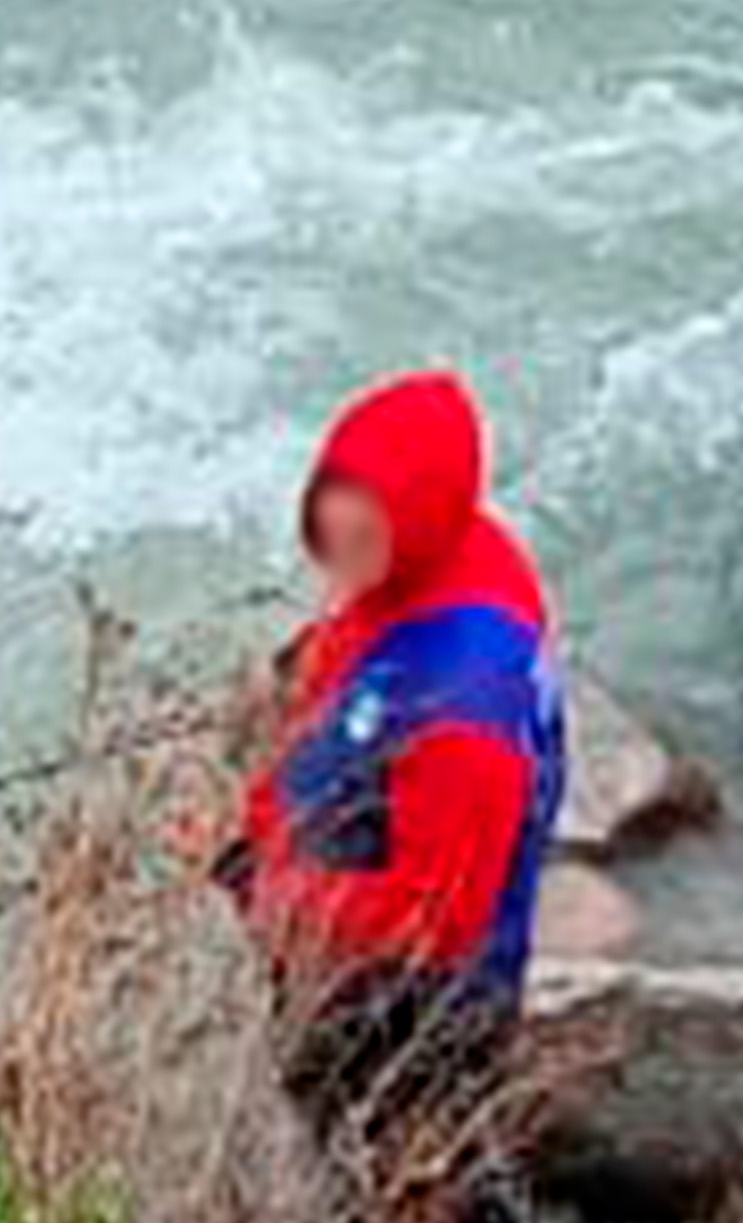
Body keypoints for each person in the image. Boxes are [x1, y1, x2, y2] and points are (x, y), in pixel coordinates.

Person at [227, 368, 569, 1168]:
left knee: (411, 1175)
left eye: (360, 539)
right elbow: (355, 648)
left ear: (411, 524)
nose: (336, 560)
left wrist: (272, 887)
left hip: (414, 1004)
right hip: (351, 893)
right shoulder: (447, 553)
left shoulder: (465, 705)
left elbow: (436, 920)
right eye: (325, 530)